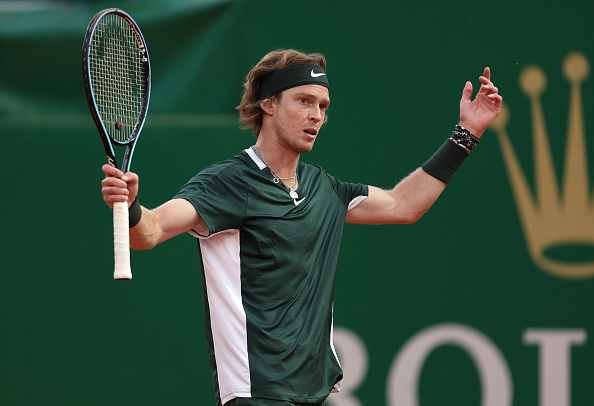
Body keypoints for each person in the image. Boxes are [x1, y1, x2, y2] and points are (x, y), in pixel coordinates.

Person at [101, 49, 502, 406]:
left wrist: (467, 134)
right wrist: (132, 206)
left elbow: (404, 205)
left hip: (314, 393)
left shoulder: (324, 188)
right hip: (256, 392)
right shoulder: (227, 182)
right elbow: (149, 232)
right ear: (269, 104)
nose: (317, 115)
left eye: (324, 106)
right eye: (304, 101)